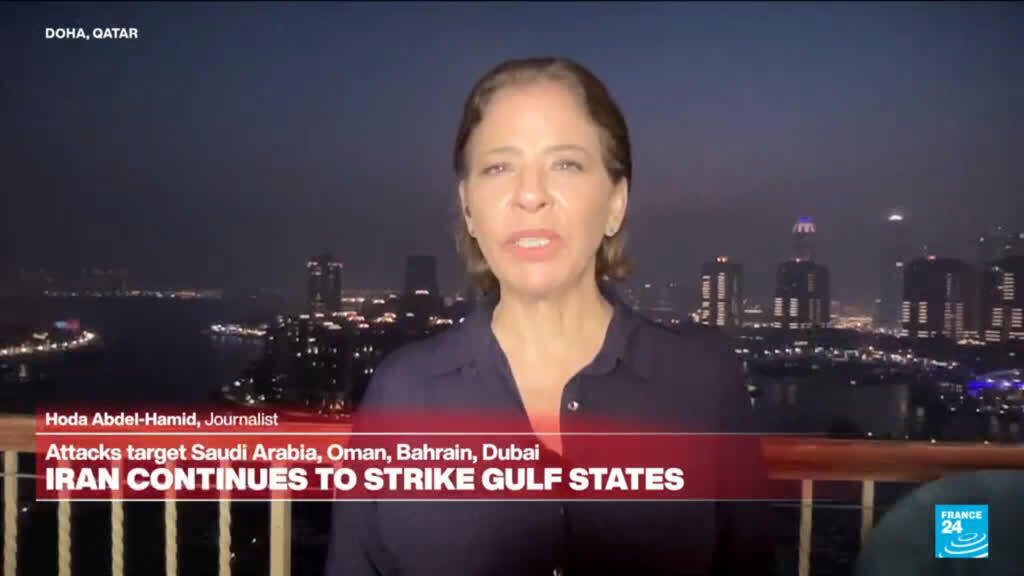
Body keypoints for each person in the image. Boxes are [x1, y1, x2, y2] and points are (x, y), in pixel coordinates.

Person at [327, 57, 773, 576]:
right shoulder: (401, 395)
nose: (530, 195)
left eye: (565, 164)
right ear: (469, 209)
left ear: (615, 203)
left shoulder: (703, 384)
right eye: (498, 168)